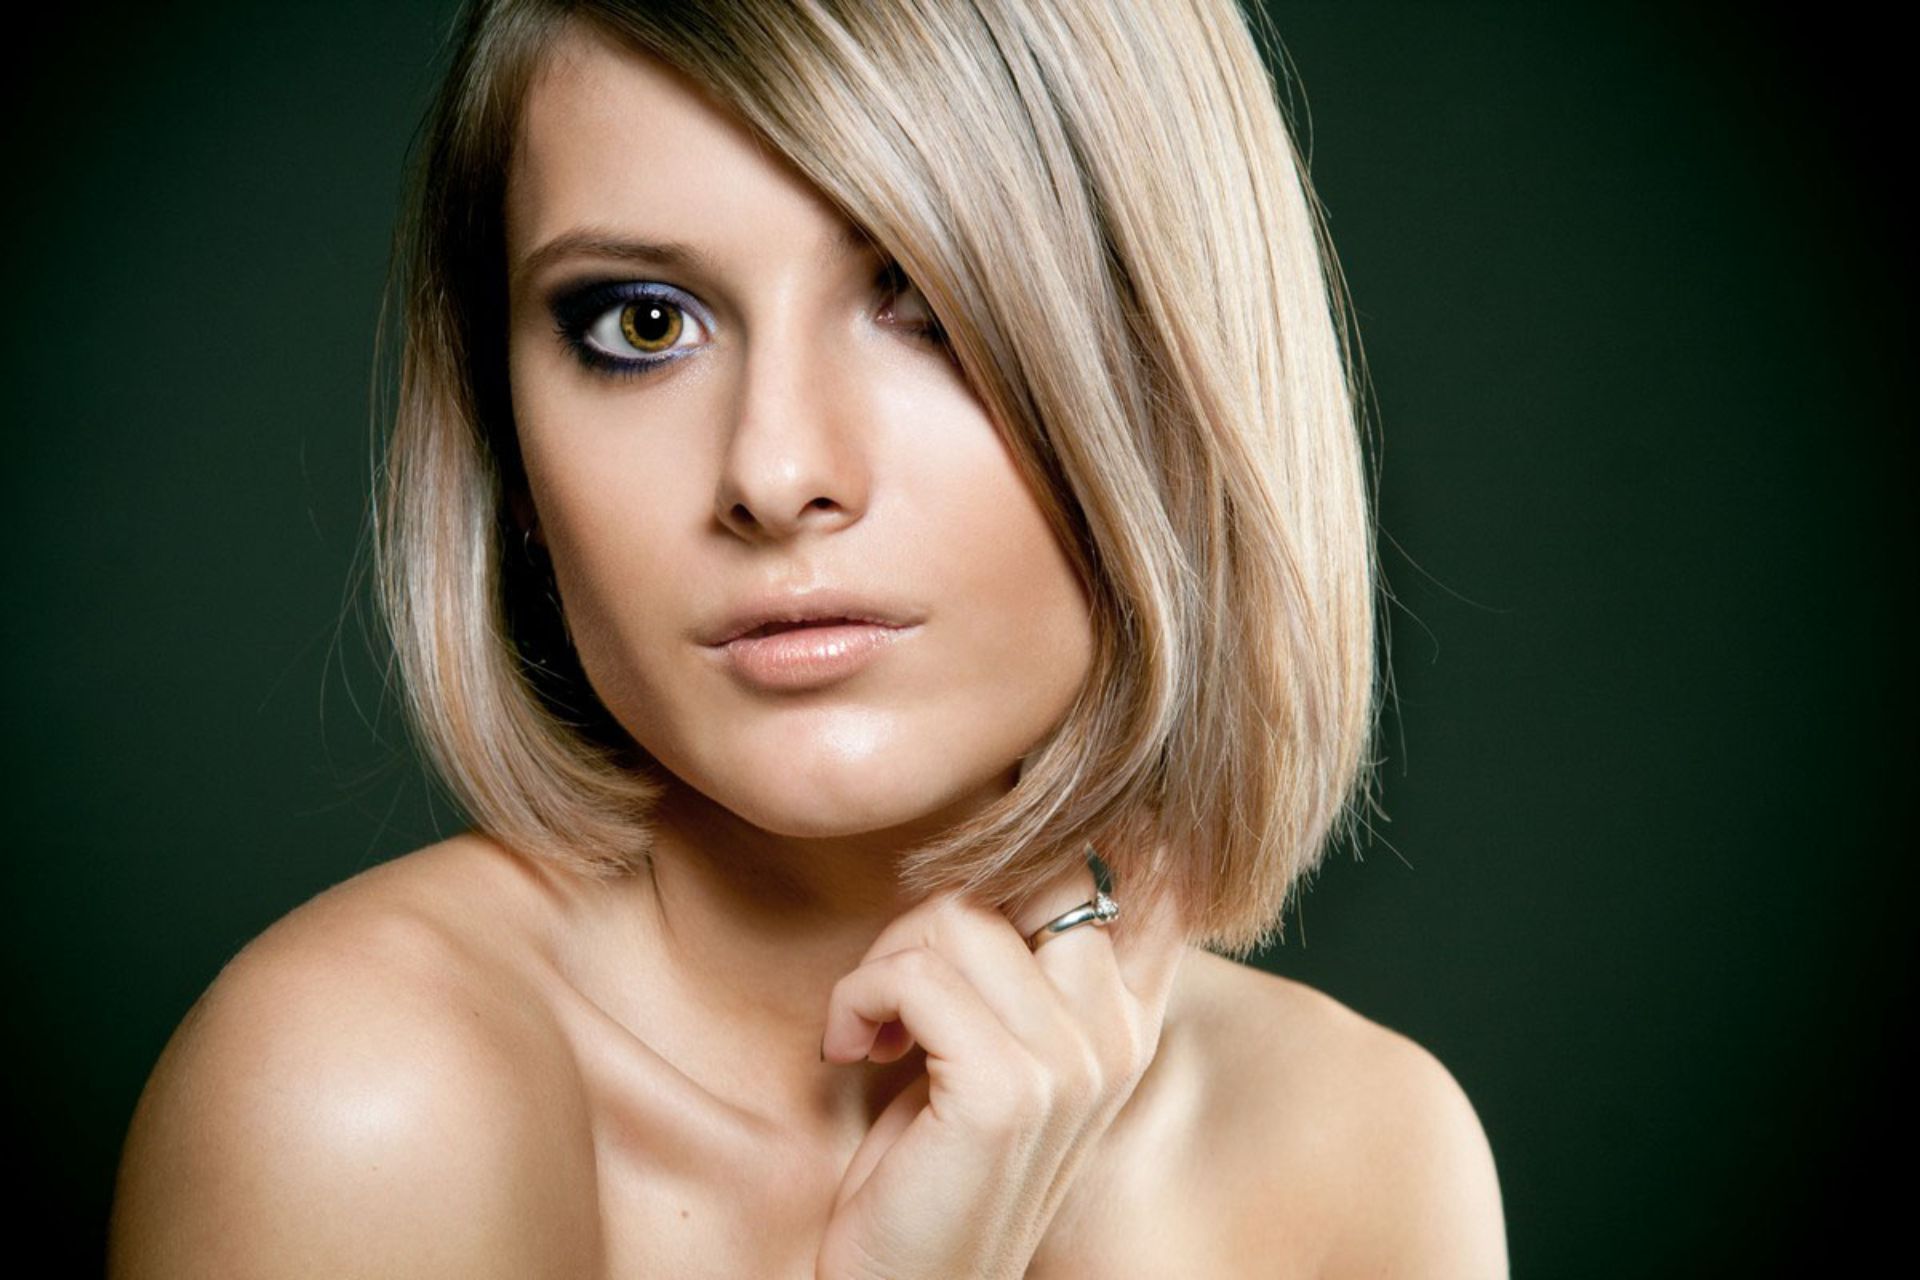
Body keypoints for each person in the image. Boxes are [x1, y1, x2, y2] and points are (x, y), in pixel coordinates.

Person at [107, 1, 1507, 1275]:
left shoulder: (1360, 1152)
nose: (774, 473)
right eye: (643, 323)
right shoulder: (359, 1101)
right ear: (508, 446)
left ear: (1178, 371)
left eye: (925, 303)